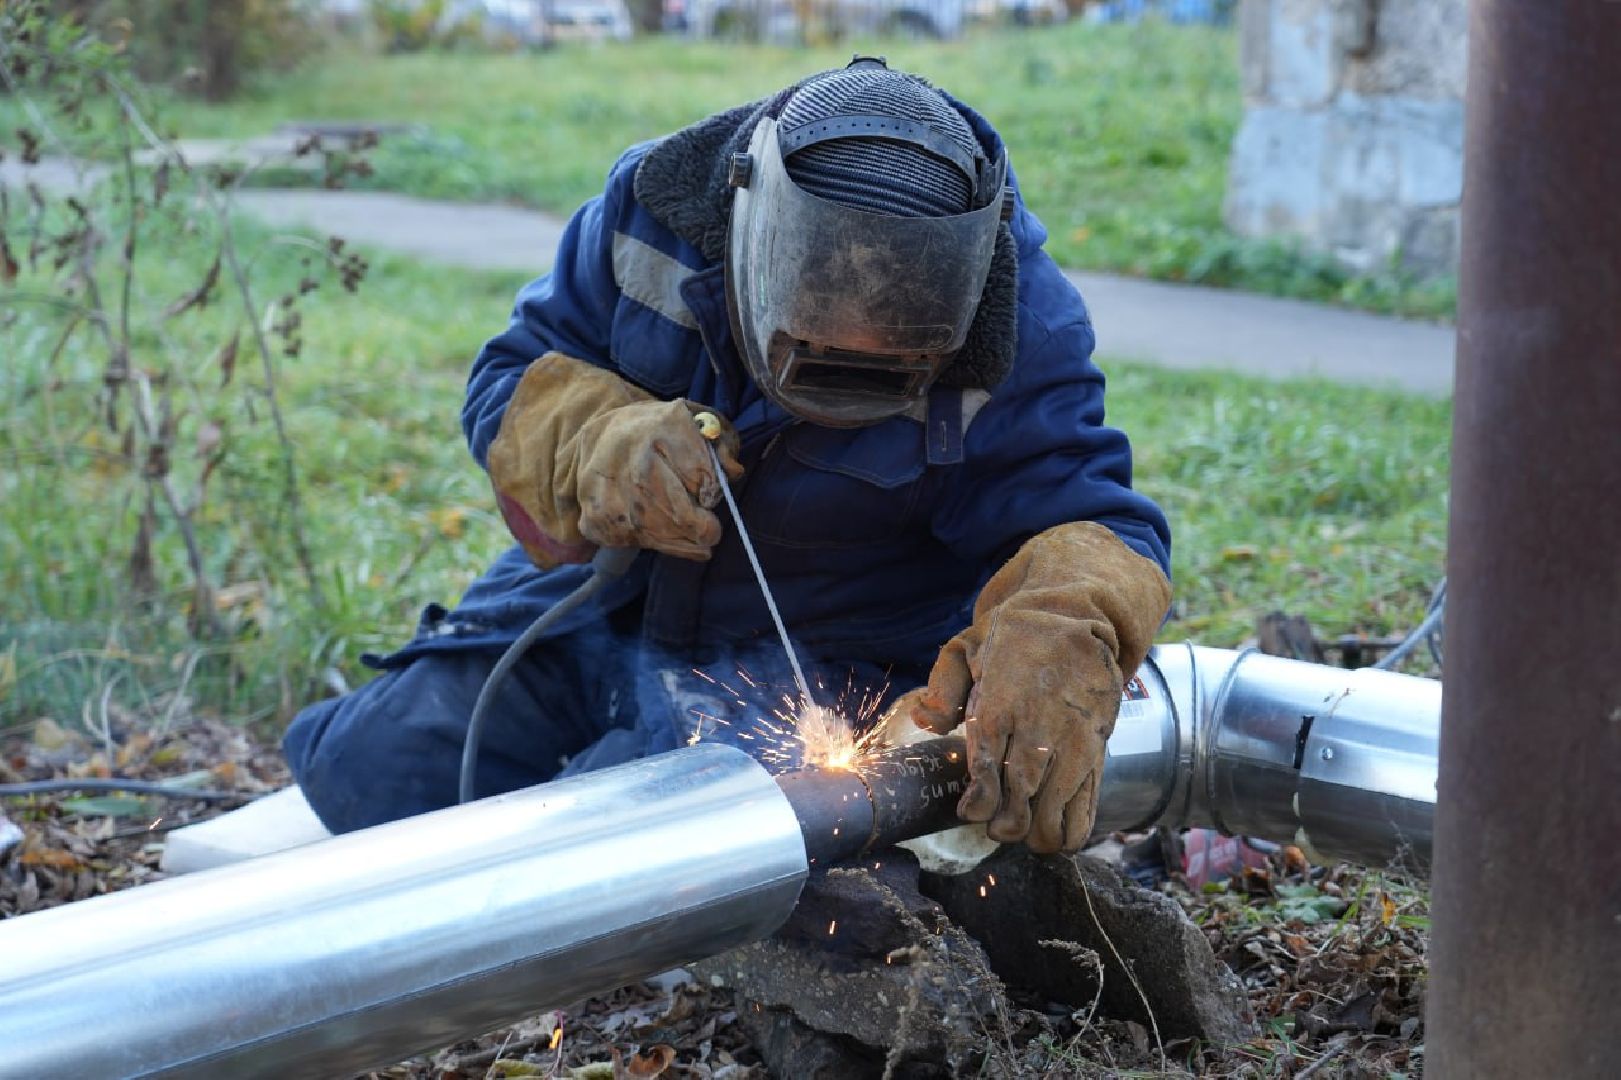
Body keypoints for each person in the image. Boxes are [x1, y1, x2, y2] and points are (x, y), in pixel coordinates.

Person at [283, 57, 1173, 855]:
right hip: (605, 609)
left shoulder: (1021, 321)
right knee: (372, 770)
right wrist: (596, 437)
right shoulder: (653, 215)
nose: (841, 378)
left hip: (824, 669)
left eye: (885, 362)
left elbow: (1093, 520)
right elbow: (509, 375)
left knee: (593, 856)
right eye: (818, 345)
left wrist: (1068, 617)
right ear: (748, 228)